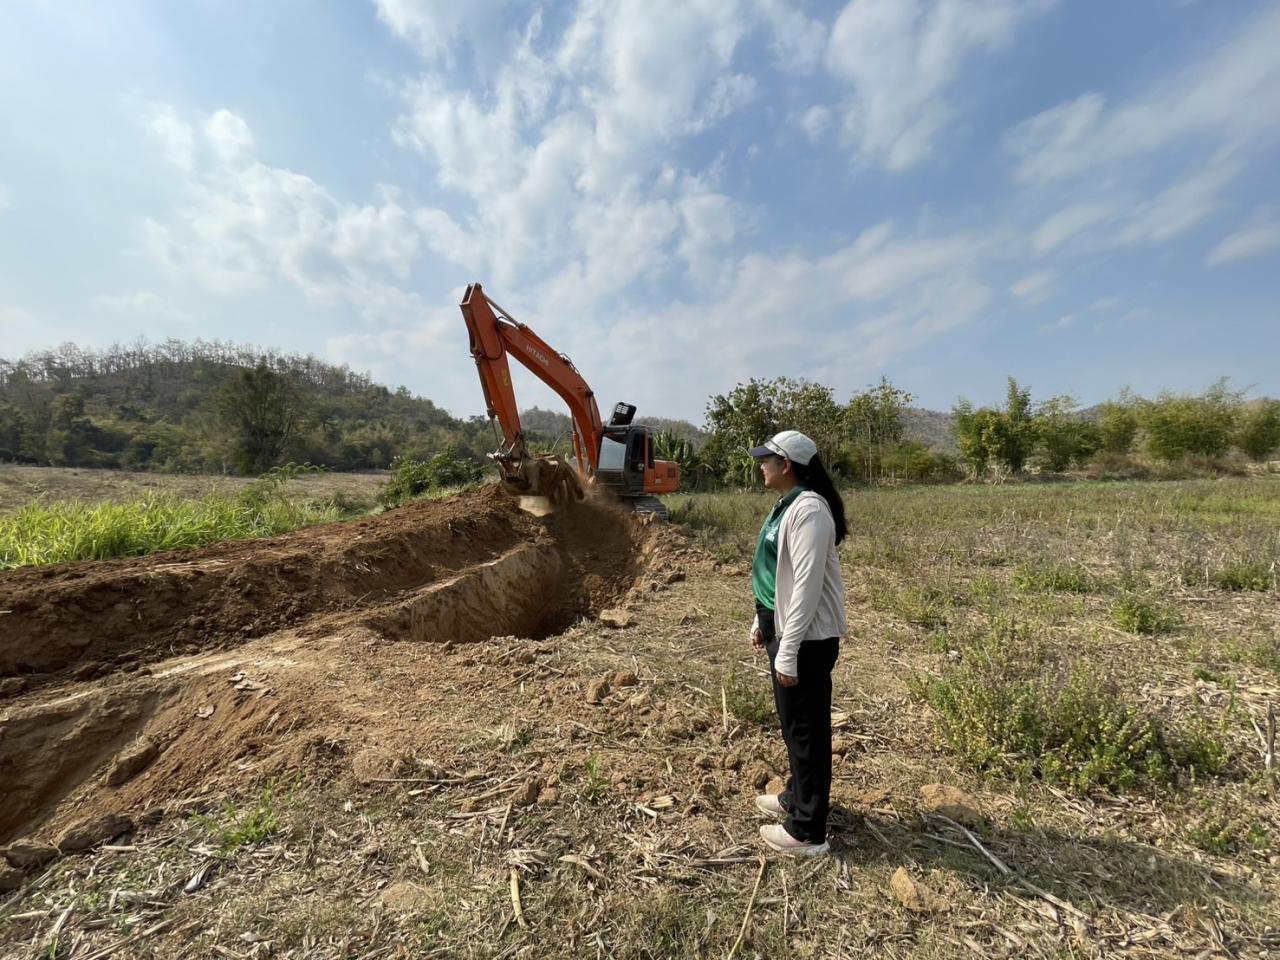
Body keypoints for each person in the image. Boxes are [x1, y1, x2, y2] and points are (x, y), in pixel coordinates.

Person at [747, 430, 847, 856]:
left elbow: (805, 585)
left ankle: (807, 832)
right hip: (784, 627)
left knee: (807, 731)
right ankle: (797, 796)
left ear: (786, 465)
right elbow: (777, 573)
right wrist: (761, 620)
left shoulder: (810, 510)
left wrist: (787, 649)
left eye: (766, 459)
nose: (761, 465)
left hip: (805, 638)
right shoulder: (787, 504)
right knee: (795, 726)